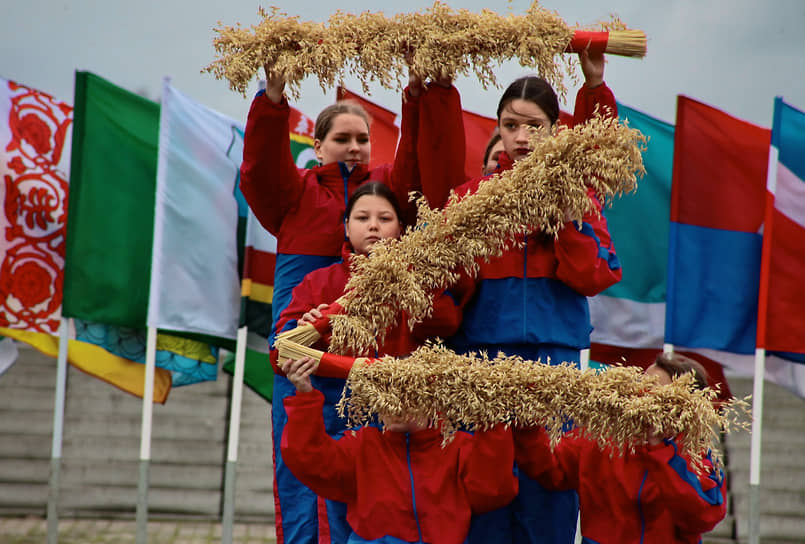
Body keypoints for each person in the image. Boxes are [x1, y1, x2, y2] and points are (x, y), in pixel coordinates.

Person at [240, 57, 466, 542]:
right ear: (316, 146)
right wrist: (273, 98)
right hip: (308, 348)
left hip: (370, 363)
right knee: (305, 465)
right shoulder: (294, 195)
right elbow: (259, 168)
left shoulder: (381, 191)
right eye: (341, 139)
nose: (353, 148)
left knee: (369, 475)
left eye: (362, 138)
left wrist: (415, 91)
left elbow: (419, 163)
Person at [422, 48, 623, 544]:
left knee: (549, 490)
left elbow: (593, 275)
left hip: (552, 362)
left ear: (557, 130)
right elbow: (448, 288)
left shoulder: (578, 195)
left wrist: (565, 217)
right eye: (511, 124)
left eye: (535, 125)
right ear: (498, 128)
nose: (522, 136)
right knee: (482, 492)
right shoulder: (471, 198)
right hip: (481, 361)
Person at [271, 182, 468, 543]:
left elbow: (448, 324)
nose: (373, 226)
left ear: (402, 228)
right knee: (340, 523)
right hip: (345, 421)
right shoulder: (321, 282)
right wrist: (320, 327)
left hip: (411, 424)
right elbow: (281, 353)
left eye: (385, 218)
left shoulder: (419, 282)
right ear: (345, 226)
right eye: (362, 217)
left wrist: (416, 284)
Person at [278, 354, 519, 544]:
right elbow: (310, 461)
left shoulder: (458, 445)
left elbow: (493, 491)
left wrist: (493, 422)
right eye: (383, 395)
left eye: (403, 394)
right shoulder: (362, 444)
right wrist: (305, 397)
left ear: (429, 398)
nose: (391, 405)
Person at [514, 352, 727, 543]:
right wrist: (528, 425)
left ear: (686, 407)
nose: (640, 398)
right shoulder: (601, 438)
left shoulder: (698, 457)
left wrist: (658, 450)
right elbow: (550, 467)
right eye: (639, 389)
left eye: (653, 393)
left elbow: (703, 516)